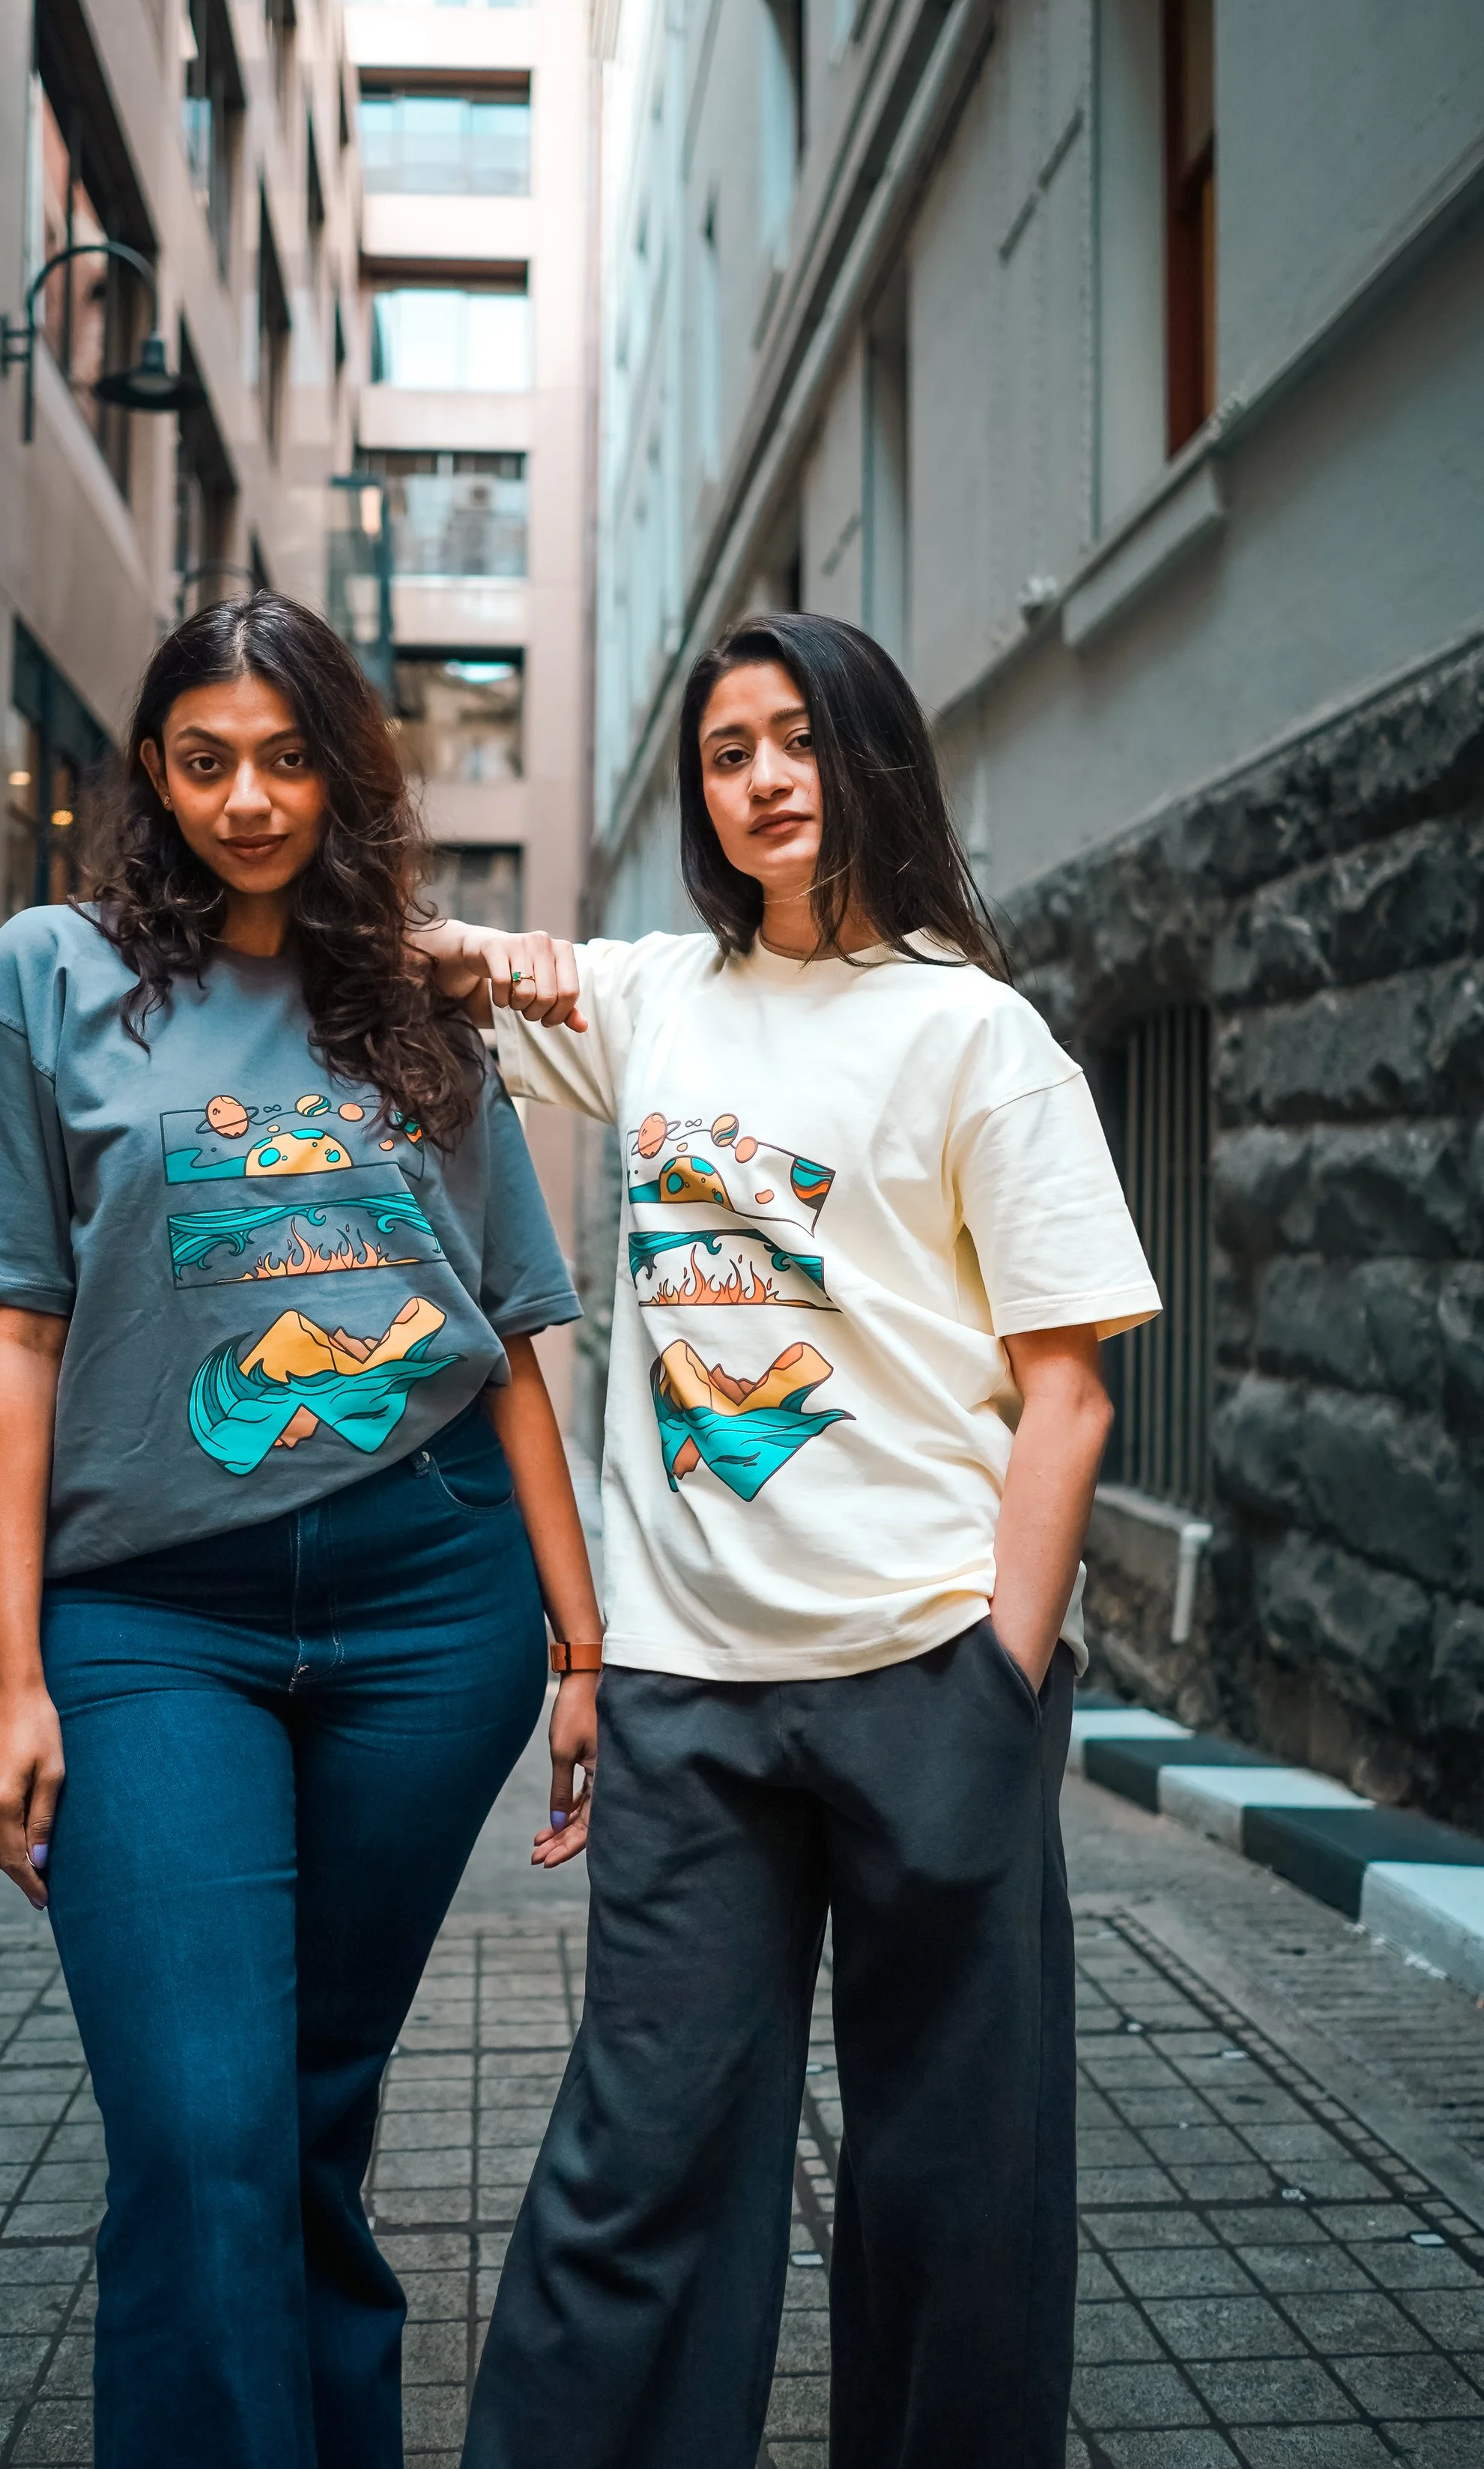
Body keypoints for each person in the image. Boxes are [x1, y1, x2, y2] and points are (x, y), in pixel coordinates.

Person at [419, 613, 1161, 2469]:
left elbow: (1063, 1389)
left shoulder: (974, 1033)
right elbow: (455, 969)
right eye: (727, 746)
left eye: (794, 739)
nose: (759, 775)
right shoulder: (659, 997)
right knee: (637, 2160)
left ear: (867, 758)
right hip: (688, 1700)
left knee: (951, 2181)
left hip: (926, 1676)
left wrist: (997, 1676)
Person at [0, 593, 602, 2469]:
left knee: (302, 2118)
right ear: (150, 768)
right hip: (145, 1625)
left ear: (342, 774)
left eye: (287, 761)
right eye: (206, 760)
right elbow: (10, 1345)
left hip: (429, 1602)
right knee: (199, 2124)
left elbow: (509, 1333)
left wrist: (581, 1645)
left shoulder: (414, 1006)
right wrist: (9, 1679)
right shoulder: (48, 974)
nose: (249, 798)